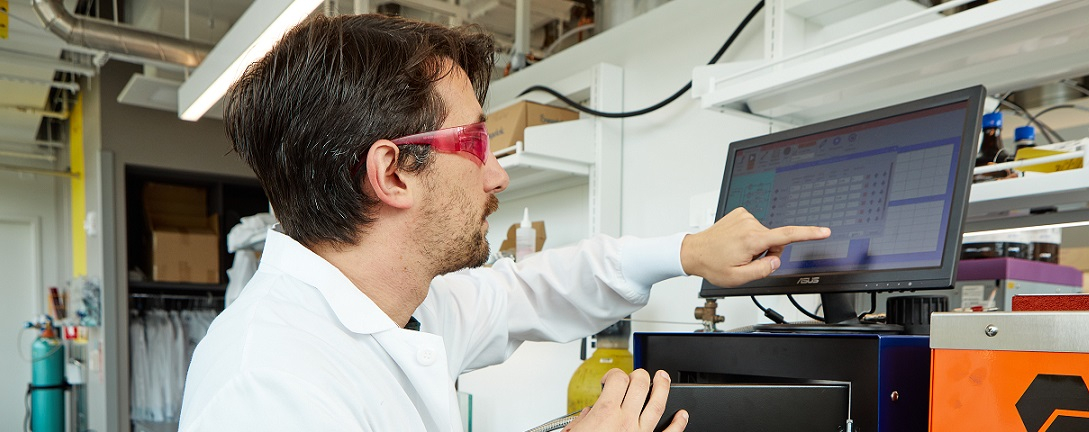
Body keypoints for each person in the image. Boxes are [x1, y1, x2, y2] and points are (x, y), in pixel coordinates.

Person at [178, 14, 830, 432]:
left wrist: (688, 251)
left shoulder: (402, 304)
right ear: (393, 174)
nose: (497, 175)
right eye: (476, 143)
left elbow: (533, 289)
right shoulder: (267, 386)